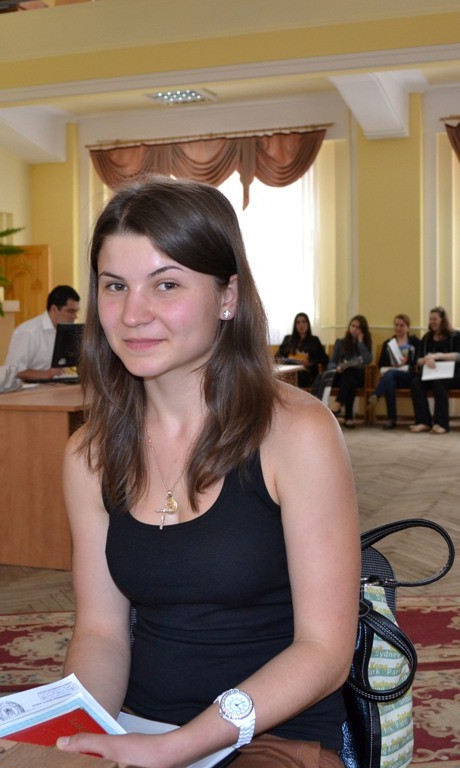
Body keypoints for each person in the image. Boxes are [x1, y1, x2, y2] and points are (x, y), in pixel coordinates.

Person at [57, 177, 360, 768]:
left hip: (272, 734)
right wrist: (74, 740)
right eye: (115, 286)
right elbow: (100, 633)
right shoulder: (88, 454)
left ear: (228, 297)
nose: (133, 314)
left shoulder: (298, 433)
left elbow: (325, 652)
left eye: (166, 284)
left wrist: (176, 747)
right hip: (142, 723)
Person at [5, 284, 80, 381]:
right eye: (70, 311)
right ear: (54, 309)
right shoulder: (28, 332)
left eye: (76, 311)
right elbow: (12, 370)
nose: (75, 316)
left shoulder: (67, 331)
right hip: (27, 388)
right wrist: (46, 374)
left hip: (55, 385)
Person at [409, 307, 460, 434]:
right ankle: (424, 422)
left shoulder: (455, 335)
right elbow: (418, 360)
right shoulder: (427, 337)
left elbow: (458, 355)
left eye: (435, 319)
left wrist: (438, 356)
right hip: (431, 373)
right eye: (430, 319)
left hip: (453, 374)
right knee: (416, 383)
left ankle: (441, 424)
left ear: (443, 320)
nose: (432, 322)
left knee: (439, 383)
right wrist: (425, 360)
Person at [368, 314, 420, 429]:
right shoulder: (388, 343)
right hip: (392, 376)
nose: (398, 328)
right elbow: (381, 363)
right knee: (390, 382)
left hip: (408, 376)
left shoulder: (414, 342)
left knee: (389, 376)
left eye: (402, 325)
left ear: (408, 328)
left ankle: (376, 394)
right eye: (396, 325)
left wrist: (406, 362)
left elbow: (418, 360)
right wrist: (394, 365)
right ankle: (391, 420)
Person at [327, 315, 372, 429]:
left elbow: (367, 359)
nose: (354, 329)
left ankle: (338, 403)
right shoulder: (341, 342)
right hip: (341, 376)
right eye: (353, 326)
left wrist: (360, 342)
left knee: (351, 374)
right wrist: (337, 367)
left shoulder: (365, 343)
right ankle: (348, 418)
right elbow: (331, 363)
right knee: (349, 378)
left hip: (359, 377)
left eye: (358, 327)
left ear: (363, 330)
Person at [276, 312, 329, 388]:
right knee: (279, 375)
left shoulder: (314, 340)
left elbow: (325, 359)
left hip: (305, 372)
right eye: (298, 322)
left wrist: (310, 362)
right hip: (288, 370)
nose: (301, 325)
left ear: (308, 324)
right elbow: (278, 356)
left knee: (296, 376)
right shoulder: (288, 339)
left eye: (304, 322)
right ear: (295, 325)